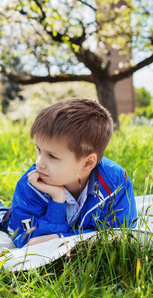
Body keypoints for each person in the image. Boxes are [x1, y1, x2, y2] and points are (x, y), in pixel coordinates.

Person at [7, 97, 137, 248]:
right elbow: (27, 241)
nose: (39, 163)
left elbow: (121, 235)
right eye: (38, 150)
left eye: (52, 156)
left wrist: (60, 238)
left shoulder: (115, 182)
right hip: (9, 217)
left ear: (88, 163)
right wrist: (57, 201)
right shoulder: (29, 185)